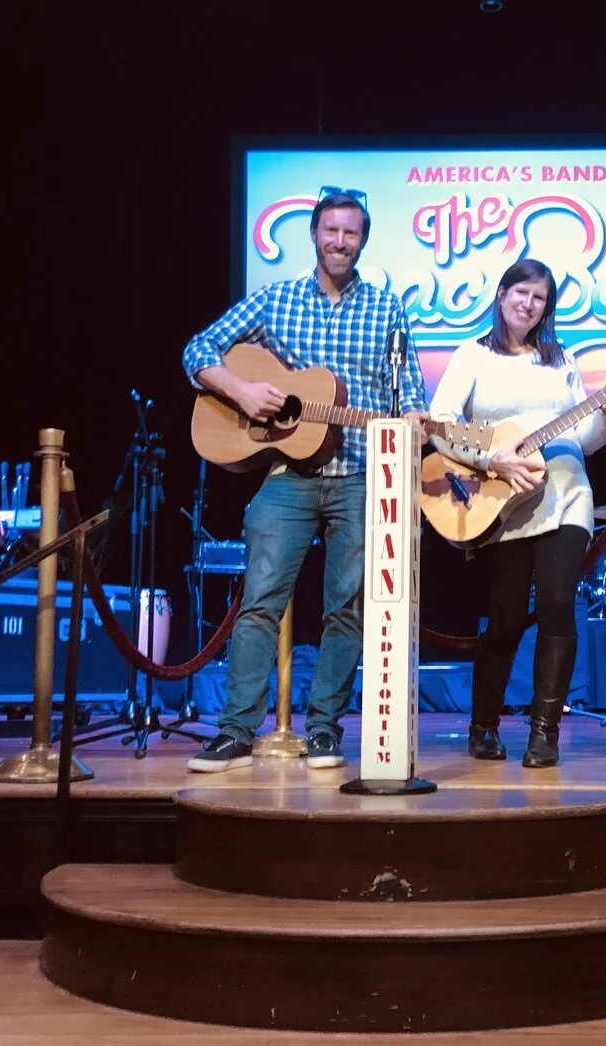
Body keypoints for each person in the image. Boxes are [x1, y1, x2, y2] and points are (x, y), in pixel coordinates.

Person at [182, 186, 428, 773]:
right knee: (259, 601)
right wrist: (242, 391)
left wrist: (420, 422)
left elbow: (410, 394)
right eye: (331, 230)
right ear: (314, 234)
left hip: (362, 475)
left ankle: (324, 729)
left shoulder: (387, 309)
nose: (340, 242)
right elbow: (198, 348)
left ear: (363, 241)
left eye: (351, 233)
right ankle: (236, 732)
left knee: (347, 606)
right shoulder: (277, 299)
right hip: (288, 473)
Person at [428, 259, 606, 768]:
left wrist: (605, 418)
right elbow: (440, 424)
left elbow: (586, 439)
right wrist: (490, 459)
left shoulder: (561, 359)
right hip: (502, 497)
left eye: (539, 298)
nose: (529, 304)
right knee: (506, 618)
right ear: (501, 295)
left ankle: (545, 732)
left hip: (566, 491)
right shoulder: (473, 355)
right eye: (521, 293)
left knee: (559, 603)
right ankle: (484, 725)